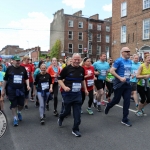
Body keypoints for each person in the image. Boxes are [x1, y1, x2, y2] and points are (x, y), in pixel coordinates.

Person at [57, 53, 88, 137]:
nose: (77, 61)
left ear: (81, 60)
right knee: (66, 111)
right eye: (75, 59)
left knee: (77, 114)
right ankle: (61, 117)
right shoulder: (66, 69)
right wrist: (64, 87)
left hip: (77, 94)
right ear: (72, 59)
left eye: (78, 59)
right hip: (67, 94)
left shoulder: (82, 69)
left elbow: (82, 80)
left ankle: (75, 129)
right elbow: (59, 79)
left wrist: (85, 89)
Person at [104, 47, 132, 127]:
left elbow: (127, 71)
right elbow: (112, 70)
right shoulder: (118, 61)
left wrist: (131, 75)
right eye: (127, 51)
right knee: (116, 100)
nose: (128, 53)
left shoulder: (130, 62)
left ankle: (125, 119)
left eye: (129, 51)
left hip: (127, 84)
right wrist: (120, 78)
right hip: (119, 84)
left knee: (127, 101)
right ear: (122, 52)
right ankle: (108, 106)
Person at [1, 56, 30, 126]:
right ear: (13, 61)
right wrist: (3, 89)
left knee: (21, 104)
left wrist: (28, 85)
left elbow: (26, 78)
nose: (18, 62)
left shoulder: (23, 69)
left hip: (21, 89)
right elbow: (5, 80)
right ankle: (15, 118)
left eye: (19, 60)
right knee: (13, 104)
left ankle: (19, 112)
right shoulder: (9, 69)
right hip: (11, 90)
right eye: (16, 60)